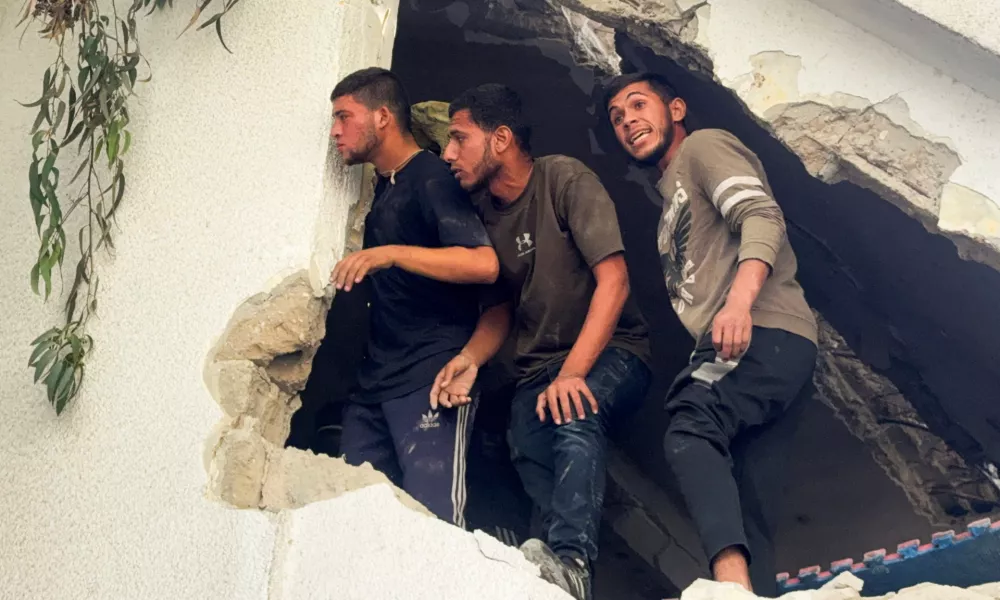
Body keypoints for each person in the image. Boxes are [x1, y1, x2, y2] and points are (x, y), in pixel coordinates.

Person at [432, 84, 651, 600]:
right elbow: (501, 311)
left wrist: (573, 373)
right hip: (536, 370)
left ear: (501, 138)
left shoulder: (563, 178)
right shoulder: (484, 215)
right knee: (525, 444)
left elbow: (614, 281)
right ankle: (562, 581)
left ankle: (573, 561)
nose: (448, 153)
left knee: (574, 411)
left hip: (613, 349)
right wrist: (469, 359)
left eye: (460, 138)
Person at [604, 71, 819, 594]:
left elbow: (762, 215)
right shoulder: (669, 202)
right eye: (617, 118)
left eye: (638, 105)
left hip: (762, 332)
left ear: (675, 109)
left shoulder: (702, 148)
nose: (628, 120)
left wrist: (739, 304)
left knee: (690, 423)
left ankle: (727, 586)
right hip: (775, 349)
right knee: (748, 505)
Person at [328, 67, 500, 528]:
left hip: (431, 377)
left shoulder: (430, 177)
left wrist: (391, 254)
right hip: (373, 386)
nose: (334, 131)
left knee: (433, 527)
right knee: (352, 525)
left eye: (345, 117)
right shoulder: (384, 187)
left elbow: (484, 263)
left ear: (382, 117)